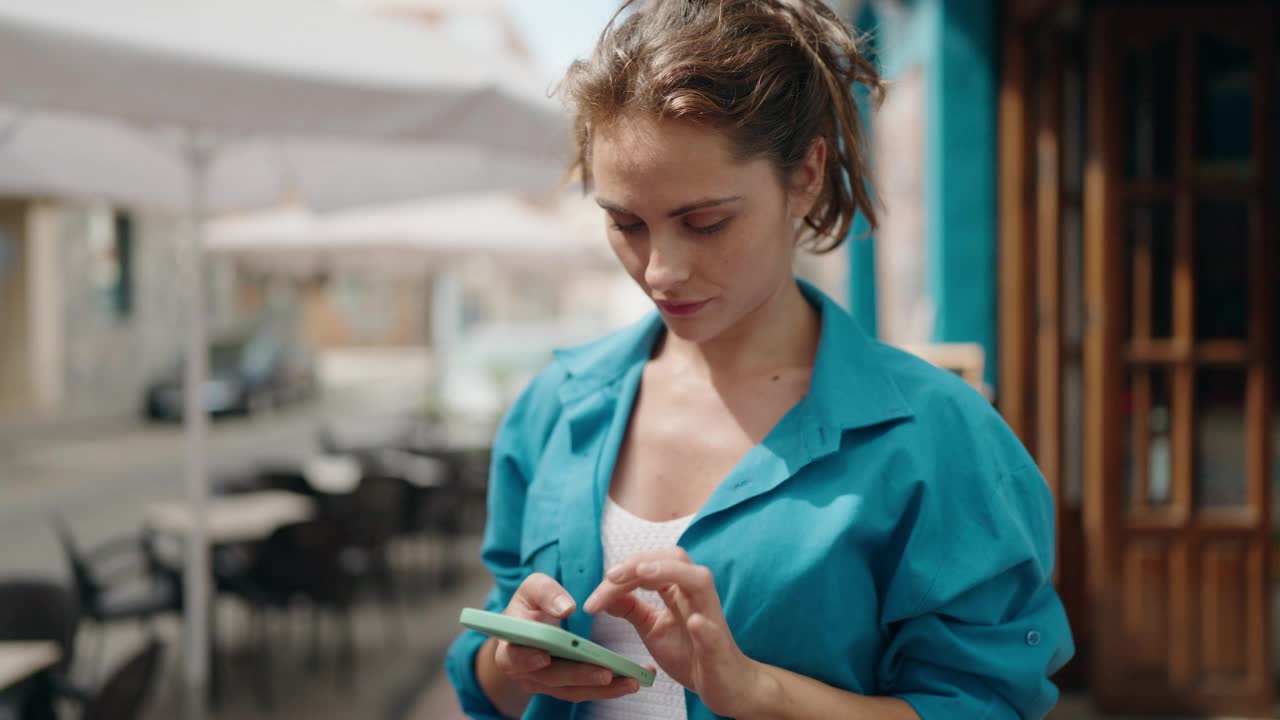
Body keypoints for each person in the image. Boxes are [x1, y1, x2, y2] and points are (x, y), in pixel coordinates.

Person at [446, 0, 1074, 718]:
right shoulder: (554, 405)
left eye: (705, 222)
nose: (660, 271)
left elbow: (981, 705)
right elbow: (485, 680)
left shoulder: (936, 437)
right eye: (626, 224)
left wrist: (759, 692)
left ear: (806, 173)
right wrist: (510, 655)